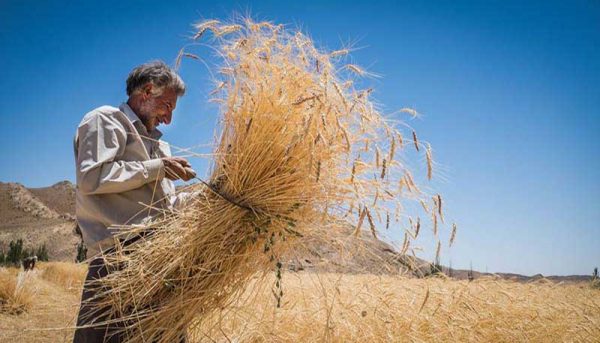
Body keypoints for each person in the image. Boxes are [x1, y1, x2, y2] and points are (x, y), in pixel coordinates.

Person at [72, 61, 194, 342]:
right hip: (117, 264)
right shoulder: (105, 120)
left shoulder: (160, 146)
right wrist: (157, 167)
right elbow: (92, 176)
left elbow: (167, 206)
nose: (168, 118)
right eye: (167, 106)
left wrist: (209, 198)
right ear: (147, 91)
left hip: (160, 262)